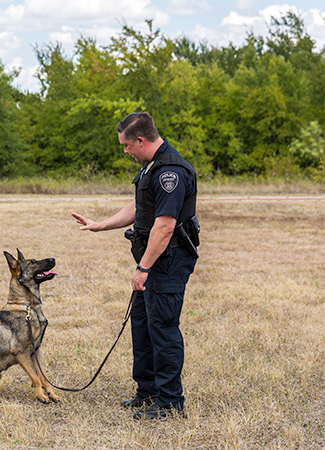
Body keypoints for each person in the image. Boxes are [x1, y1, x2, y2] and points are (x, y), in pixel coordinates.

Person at [71, 112, 199, 420]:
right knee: (143, 328)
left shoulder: (171, 172)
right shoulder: (151, 167)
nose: (125, 151)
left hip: (166, 261)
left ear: (141, 140)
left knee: (163, 329)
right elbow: (139, 207)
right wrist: (100, 225)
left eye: (127, 146)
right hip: (153, 260)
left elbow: (165, 226)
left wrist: (143, 268)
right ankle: (148, 391)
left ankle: (170, 403)